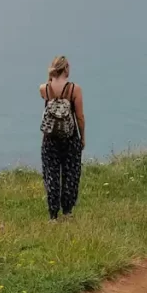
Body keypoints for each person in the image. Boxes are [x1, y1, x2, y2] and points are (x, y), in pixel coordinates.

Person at [39, 56, 85, 221]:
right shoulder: (75, 89)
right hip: (70, 138)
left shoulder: (44, 88)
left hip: (50, 138)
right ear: (66, 69)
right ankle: (67, 211)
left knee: (51, 175)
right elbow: (79, 117)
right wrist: (82, 137)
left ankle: (53, 215)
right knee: (71, 173)